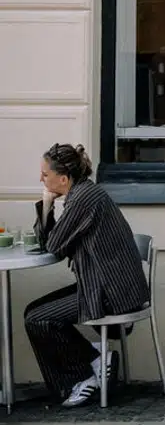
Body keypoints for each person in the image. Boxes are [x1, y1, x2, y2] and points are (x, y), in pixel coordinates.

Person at [25, 144, 148, 408]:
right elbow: (52, 242)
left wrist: (47, 202)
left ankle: (82, 379)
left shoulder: (83, 199)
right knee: (34, 312)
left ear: (64, 178)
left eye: (45, 174)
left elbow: (54, 246)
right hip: (106, 285)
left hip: (111, 293)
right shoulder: (82, 194)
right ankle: (94, 358)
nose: (41, 179)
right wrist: (48, 207)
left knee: (38, 319)